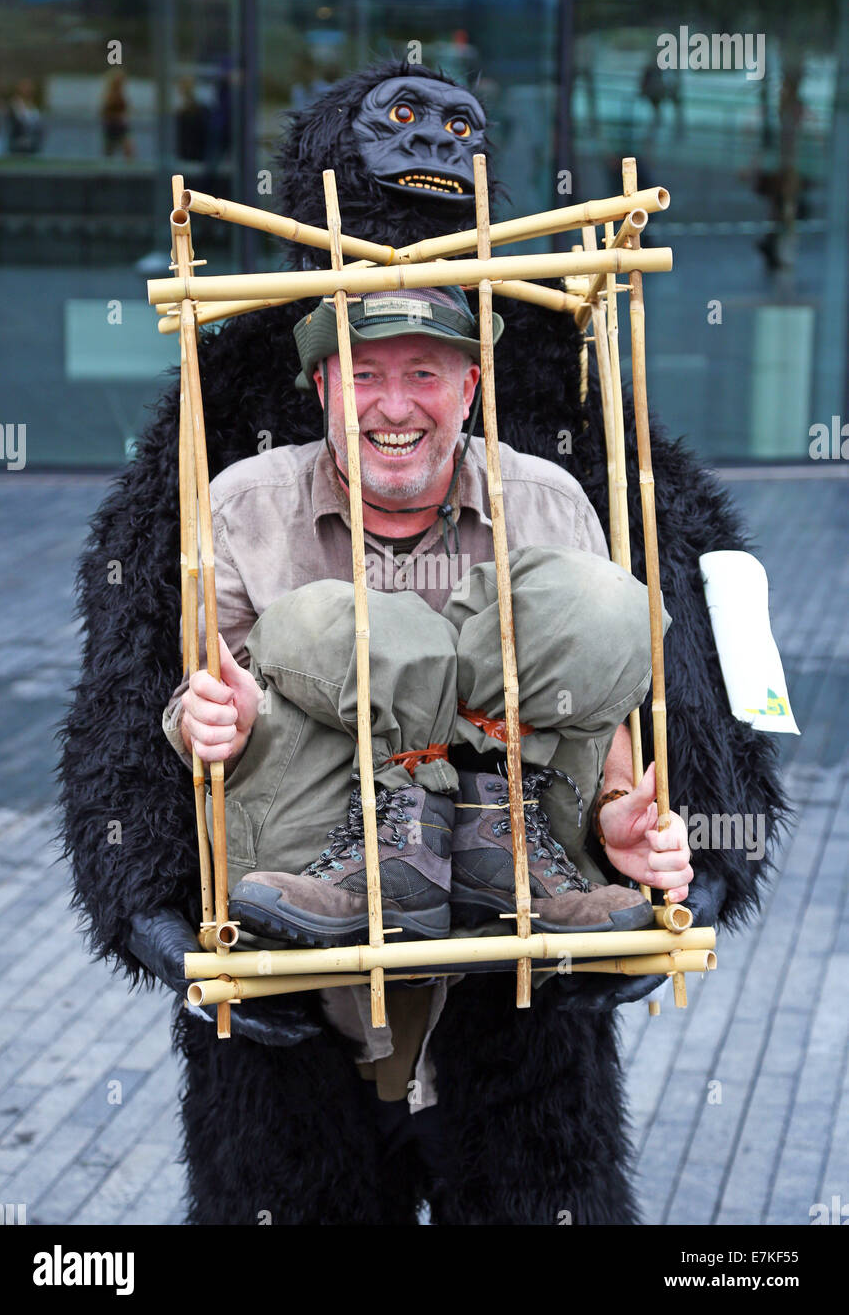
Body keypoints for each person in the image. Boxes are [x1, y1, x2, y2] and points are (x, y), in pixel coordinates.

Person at [161, 284, 694, 1110]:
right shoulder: (244, 506)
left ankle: (492, 849)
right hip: (311, 865)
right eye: (366, 376)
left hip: (526, 868)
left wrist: (617, 809)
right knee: (336, 620)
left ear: (472, 388)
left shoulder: (548, 500)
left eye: (423, 373)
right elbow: (195, 690)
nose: (395, 406)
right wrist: (207, 718)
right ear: (324, 387)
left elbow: (602, 713)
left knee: (601, 603)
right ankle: (384, 863)